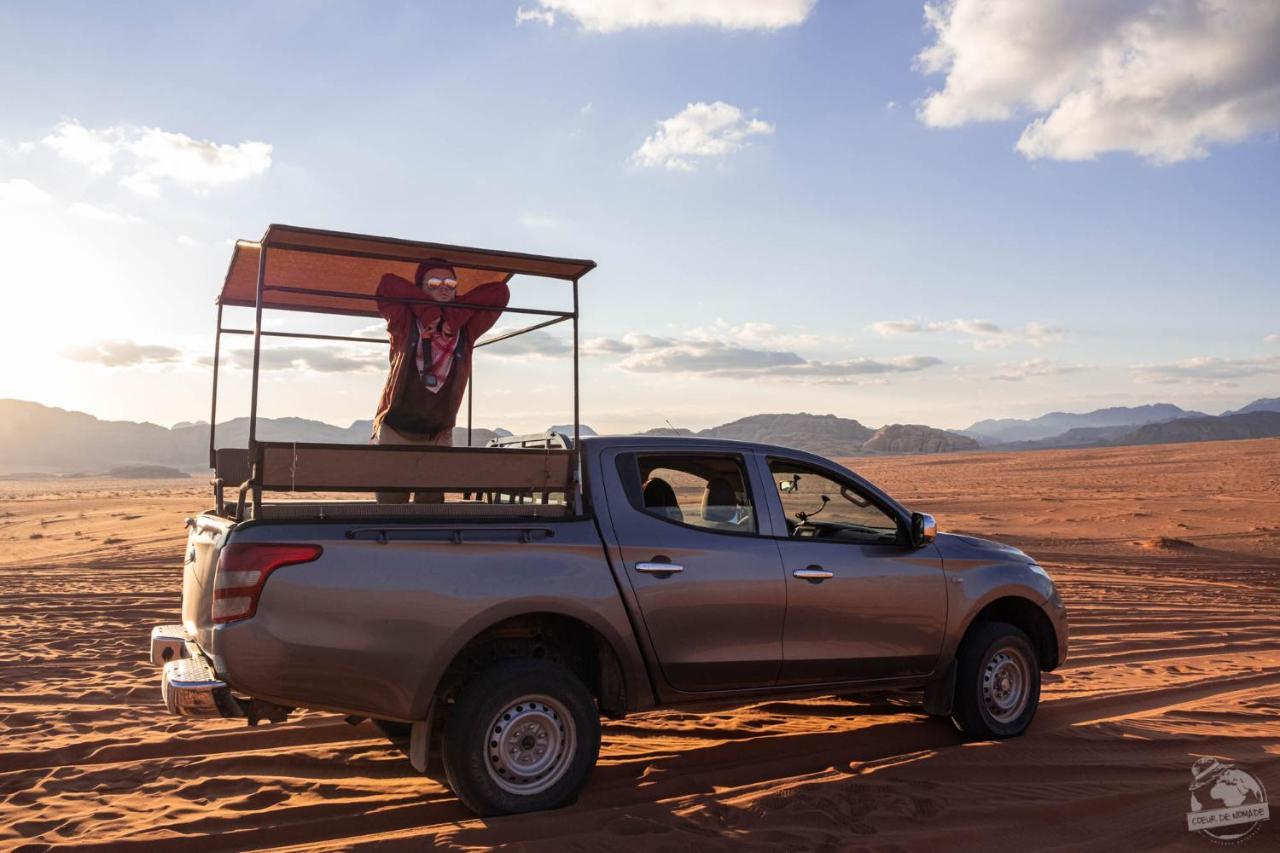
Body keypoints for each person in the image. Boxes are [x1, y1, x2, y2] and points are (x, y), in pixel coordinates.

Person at [371, 259, 509, 502]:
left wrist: (453, 318)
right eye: (433, 282)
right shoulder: (403, 321)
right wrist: (427, 311)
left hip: (438, 429)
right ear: (420, 287)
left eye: (450, 282)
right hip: (397, 424)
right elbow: (387, 284)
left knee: (431, 502)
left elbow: (500, 292)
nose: (443, 287)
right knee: (391, 502)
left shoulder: (467, 329)